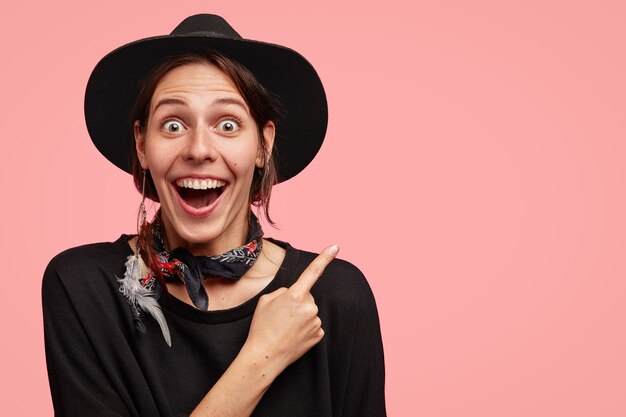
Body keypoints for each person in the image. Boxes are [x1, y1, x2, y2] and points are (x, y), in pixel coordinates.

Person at [42, 14, 386, 417]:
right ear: (141, 145)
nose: (199, 149)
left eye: (227, 124)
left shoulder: (335, 298)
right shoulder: (84, 287)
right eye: (172, 125)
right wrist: (261, 358)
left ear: (263, 144)